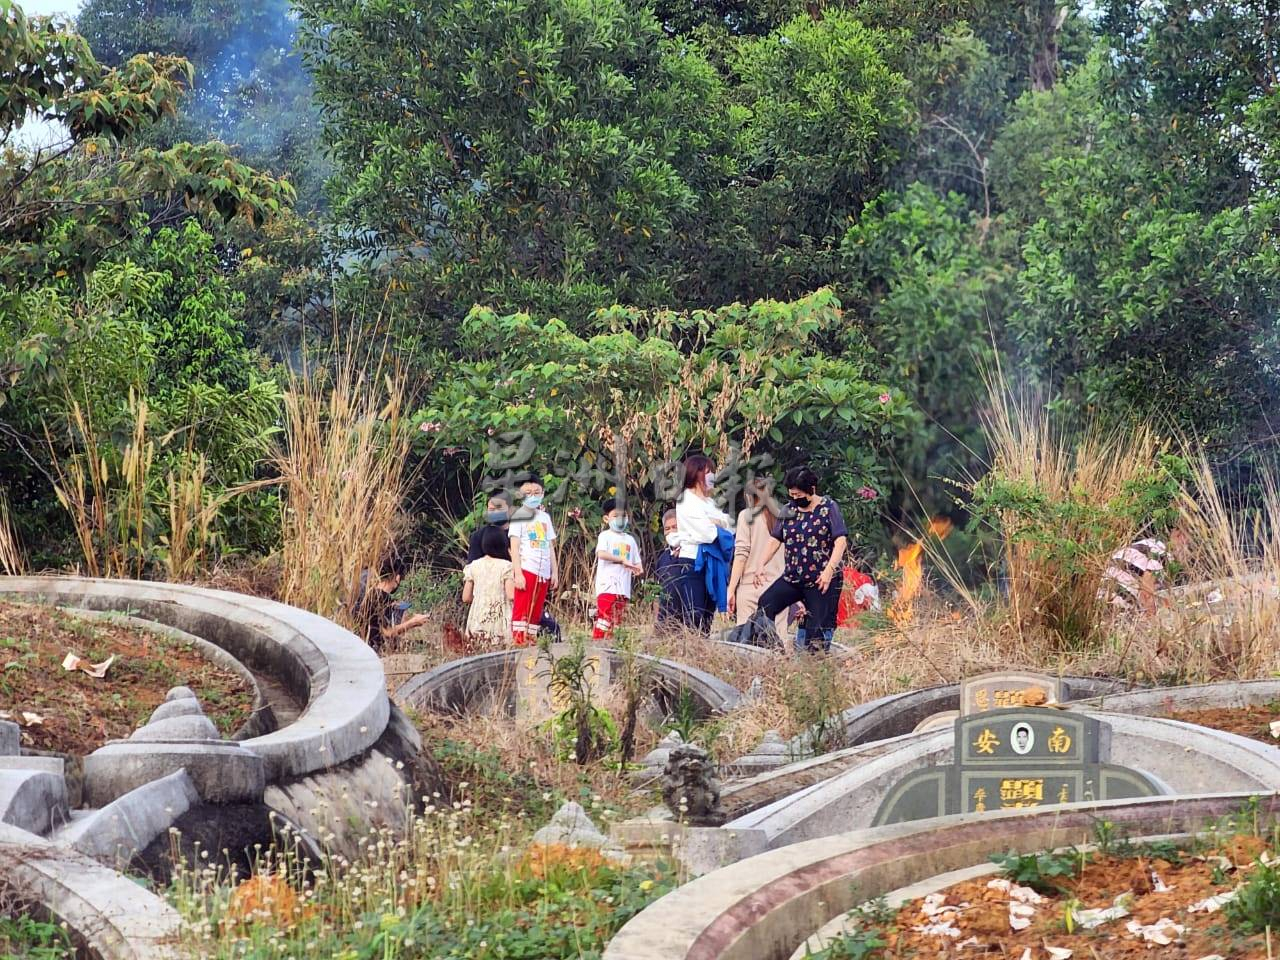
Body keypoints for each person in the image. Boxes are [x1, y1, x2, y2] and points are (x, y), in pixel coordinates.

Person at [754, 466, 848, 653]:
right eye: (792, 496)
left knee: (816, 629)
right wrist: (760, 564)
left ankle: (812, 665)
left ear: (812, 489)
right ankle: (772, 650)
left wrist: (829, 571)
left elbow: (841, 541)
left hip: (820, 580)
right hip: (793, 578)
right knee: (765, 604)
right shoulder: (789, 510)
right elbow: (775, 539)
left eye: (799, 495)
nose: (796, 499)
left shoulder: (828, 508)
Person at [672, 455, 734, 632]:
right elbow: (707, 533)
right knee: (694, 614)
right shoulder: (685, 499)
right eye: (708, 472)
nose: (711, 476)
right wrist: (717, 523)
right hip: (693, 562)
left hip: (713, 562)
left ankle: (702, 652)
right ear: (695, 473)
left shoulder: (709, 502)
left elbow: (730, 525)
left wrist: (716, 522)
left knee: (708, 615)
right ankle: (691, 651)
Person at [727, 477, 787, 637]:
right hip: (778, 588)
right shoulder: (783, 516)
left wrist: (731, 589)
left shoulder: (746, 516)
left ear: (748, 496)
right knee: (778, 642)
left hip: (750, 586)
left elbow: (741, 555)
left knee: (746, 642)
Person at [508, 479, 558, 645]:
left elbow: (550, 546)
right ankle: (519, 641)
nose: (533, 496)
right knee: (522, 606)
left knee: (536, 609)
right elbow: (514, 547)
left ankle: (531, 640)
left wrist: (555, 571)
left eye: (537, 492)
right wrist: (518, 573)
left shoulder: (545, 517)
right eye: (528, 493)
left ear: (543, 494)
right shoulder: (518, 516)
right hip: (527, 567)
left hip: (543, 571)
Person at [355, 555, 430, 652]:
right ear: (397, 578)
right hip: (374, 648)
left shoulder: (369, 592)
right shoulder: (381, 596)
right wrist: (413, 622)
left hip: (361, 643)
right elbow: (387, 632)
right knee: (424, 646)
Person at [593, 498, 643, 641]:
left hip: (623, 587)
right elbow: (601, 553)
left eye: (623, 516)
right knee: (605, 616)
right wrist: (621, 560)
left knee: (617, 619)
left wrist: (637, 569)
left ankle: (611, 646)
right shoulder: (605, 536)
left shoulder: (630, 540)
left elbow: (637, 562)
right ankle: (598, 643)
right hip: (607, 585)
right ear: (606, 518)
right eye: (616, 516)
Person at [462, 525, 515, 644]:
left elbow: (466, 597)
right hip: (501, 617)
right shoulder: (506, 566)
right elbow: (511, 594)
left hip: (478, 616)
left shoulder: (473, 566)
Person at [654, 509, 685, 633]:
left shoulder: (691, 555)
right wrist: (656, 621)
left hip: (686, 620)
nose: (671, 531)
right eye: (667, 529)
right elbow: (656, 592)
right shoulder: (662, 559)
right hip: (665, 620)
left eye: (675, 527)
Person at [466, 495, 511, 563]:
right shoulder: (478, 536)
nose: (496, 512)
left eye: (500, 509)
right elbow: (472, 567)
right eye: (491, 509)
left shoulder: (520, 533)